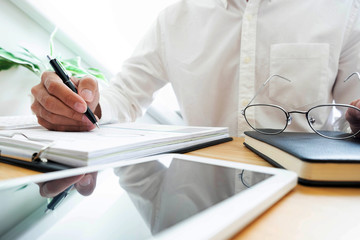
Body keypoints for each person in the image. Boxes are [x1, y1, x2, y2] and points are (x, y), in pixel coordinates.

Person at [31, 0, 360, 195]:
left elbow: (354, 114)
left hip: (305, 193)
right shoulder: (175, 17)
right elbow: (125, 93)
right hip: (199, 188)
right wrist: (85, 104)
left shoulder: (342, 10)